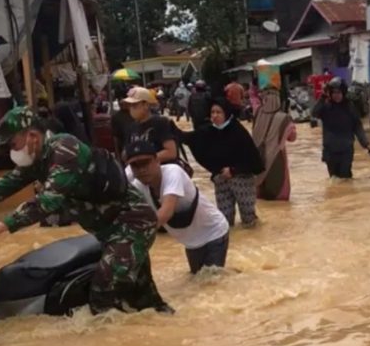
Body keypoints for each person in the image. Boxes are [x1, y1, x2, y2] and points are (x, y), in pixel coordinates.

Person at [0, 106, 172, 314]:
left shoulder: (65, 150)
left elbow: (47, 201)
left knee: (103, 295)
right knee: (145, 301)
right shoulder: (37, 160)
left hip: (132, 223)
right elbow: (0, 188)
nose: (11, 151)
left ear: (32, 136)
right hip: (110, 230)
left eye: (13, 144)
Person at [125, 141, 230, 274]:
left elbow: (166, 213)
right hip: (190, 242)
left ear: (157, 160)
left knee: (211, 284)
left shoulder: (173, 173)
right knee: (198, 281)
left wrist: (131, 236)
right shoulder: (137, 185)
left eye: (146, 162)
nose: (142, 169)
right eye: (135, 165)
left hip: (213, 233)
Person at [182, 99, 264, 228]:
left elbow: (252, 159)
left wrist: (233, 170)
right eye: (212, 112)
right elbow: (190, 138)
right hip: (221, 179)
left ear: (227, 113)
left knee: (249, 220)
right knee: (225, 222)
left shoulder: (238, 132)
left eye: (218, 112)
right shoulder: (208, 131)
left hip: (242, 179)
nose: (214, 115)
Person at [312, 77, 370, 179]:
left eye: (339, 92)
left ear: (343, 92)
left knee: (345, 178)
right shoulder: (326, 107)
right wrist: (323, 96)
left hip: (346, 151)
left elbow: (358, 127)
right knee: (334, 179)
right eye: (334, 93)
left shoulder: (350, 108)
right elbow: (314, 113)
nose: (336, 95)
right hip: (330, 151)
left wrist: (367, 145)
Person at [252, 87, 296, 200]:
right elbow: (292, 138)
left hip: (257, 160)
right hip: (276, 160)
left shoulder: (257, 114)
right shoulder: (284, 118)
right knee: (279, 198)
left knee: (260, 198)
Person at [123, 87, 178, 164]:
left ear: (145, 105)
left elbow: (171, 152)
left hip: (161, 167)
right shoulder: (131, 127)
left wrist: (145, 161)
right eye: (129, 106)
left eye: (134, 105)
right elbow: (126, 153)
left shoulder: (160, 122)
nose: (131, 109)